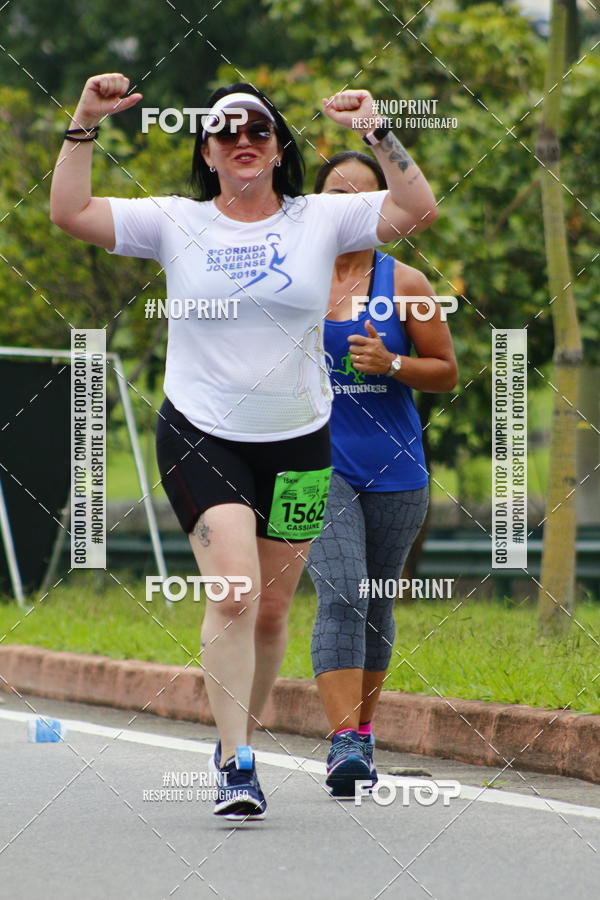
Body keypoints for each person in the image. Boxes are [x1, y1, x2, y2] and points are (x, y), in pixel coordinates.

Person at [49, 73, 439, 819]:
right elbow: (69, 211)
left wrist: (377, 131)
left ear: (277, 146)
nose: (244, 141)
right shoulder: (176, 222)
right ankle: (234, 763)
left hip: (298, 443)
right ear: (208, 151)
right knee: (232, 592)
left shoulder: (321, 218)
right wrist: (85, 120)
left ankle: (243, 739)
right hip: (201, 432)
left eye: (258, 129)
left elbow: (417, 209)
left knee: (269, 612)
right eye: (227, 131)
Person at [307, 151, 458, 797]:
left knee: (374, 603)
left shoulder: (409, 284)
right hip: (311, 465)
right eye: (338, 197)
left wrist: (393, 363)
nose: (352, 210)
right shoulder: (290, 280)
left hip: (396, 468)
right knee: (341, 592)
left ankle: (362, 736)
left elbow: (447, 371)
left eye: (367, 199)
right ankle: (343, 741)